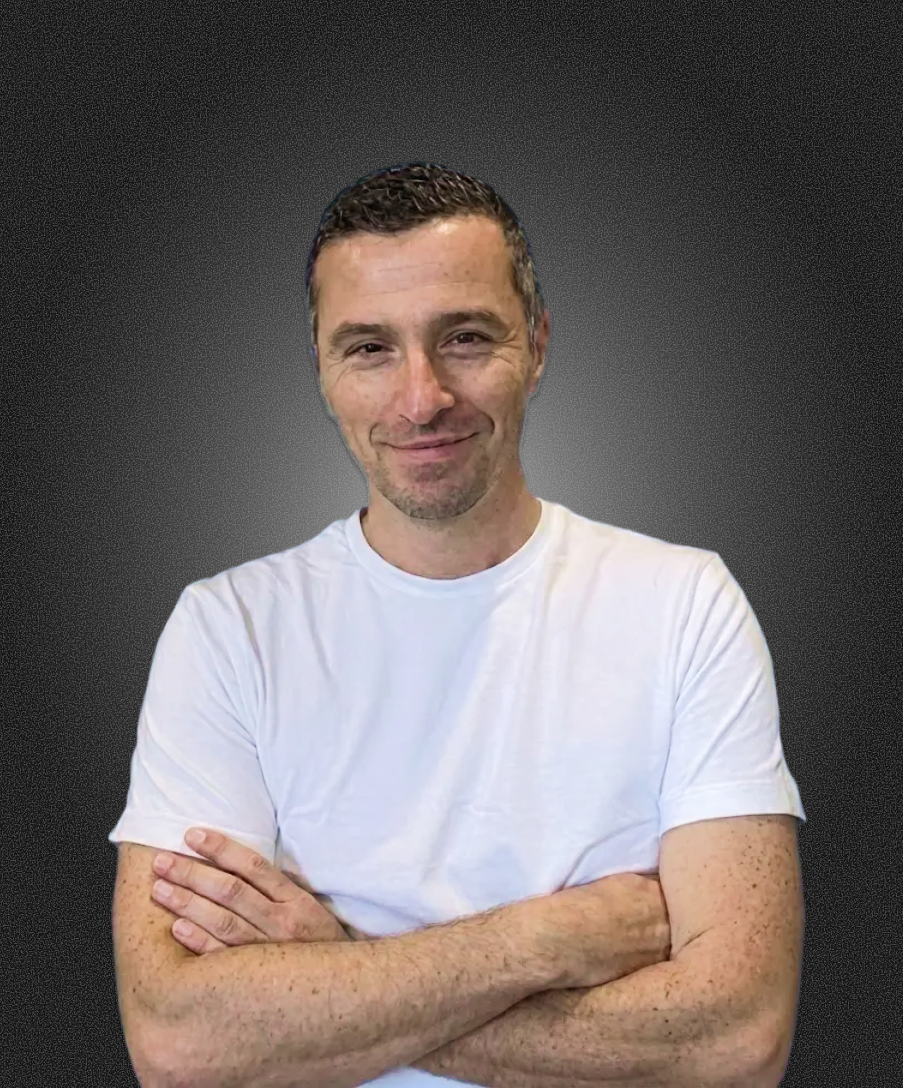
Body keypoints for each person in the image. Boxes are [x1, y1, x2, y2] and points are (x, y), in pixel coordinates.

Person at [109, 162, 806, 1087]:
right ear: (320, 368)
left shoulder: (684, 605)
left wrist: (332, 967)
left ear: (538, 344)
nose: (421, 398)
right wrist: (541, 940)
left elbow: (737, 1039)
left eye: (466, 338)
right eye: (369, 348)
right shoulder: (228, 631)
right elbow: (176, 1044)